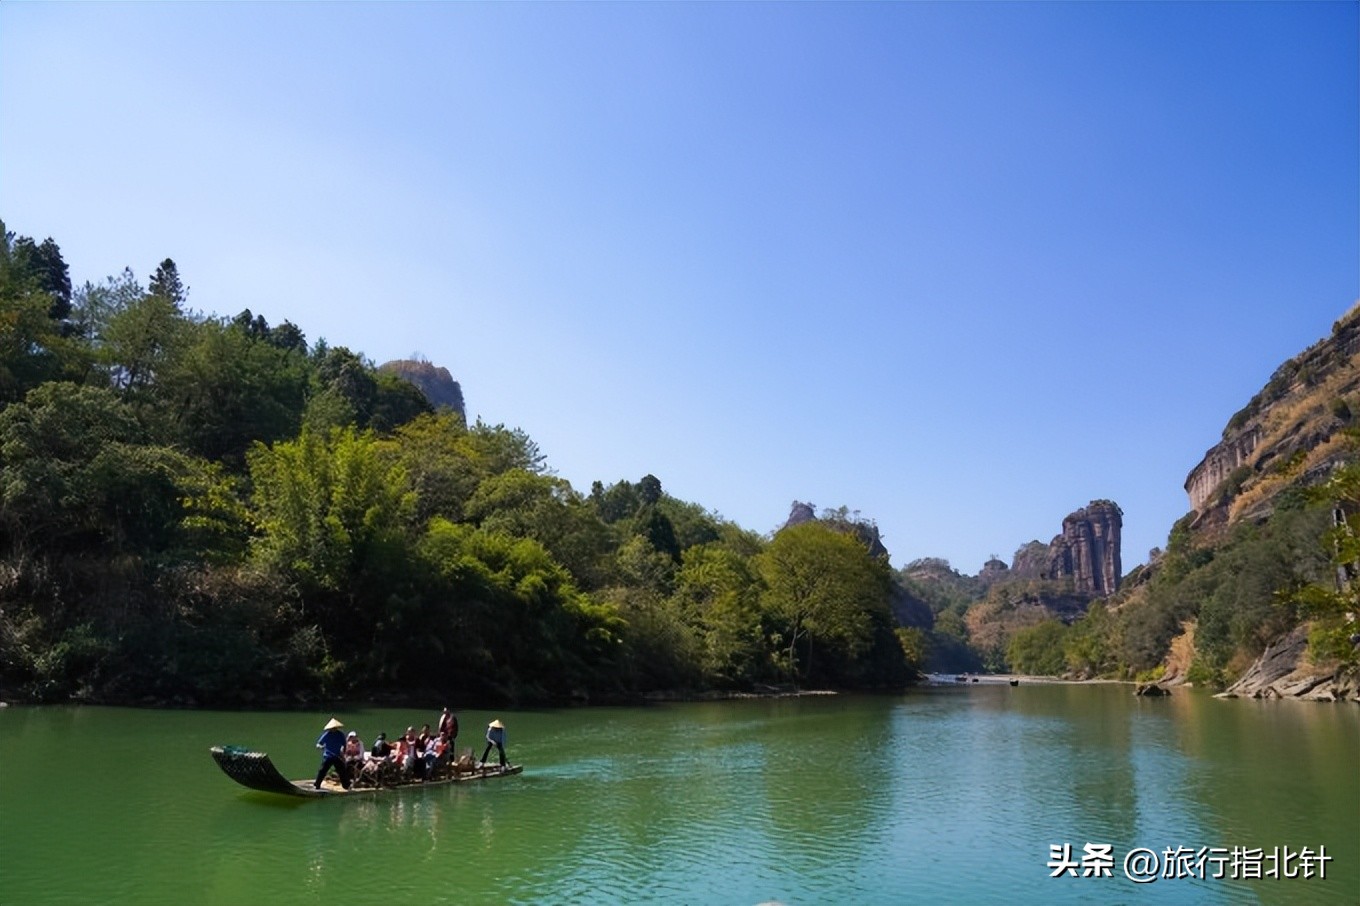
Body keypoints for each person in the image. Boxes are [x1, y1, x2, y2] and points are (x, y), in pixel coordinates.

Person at [315, 717, 352, 790]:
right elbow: (318, 743)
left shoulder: (340, 734)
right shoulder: (327, 734)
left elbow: (344, 745)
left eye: (334, 728)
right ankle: (317, 784)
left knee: (342, 771)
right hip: (328, 756)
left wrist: (343, 753)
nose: (333, 729)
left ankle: (346, 785)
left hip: (337, 756)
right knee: (322, 770)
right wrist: (320, 747)